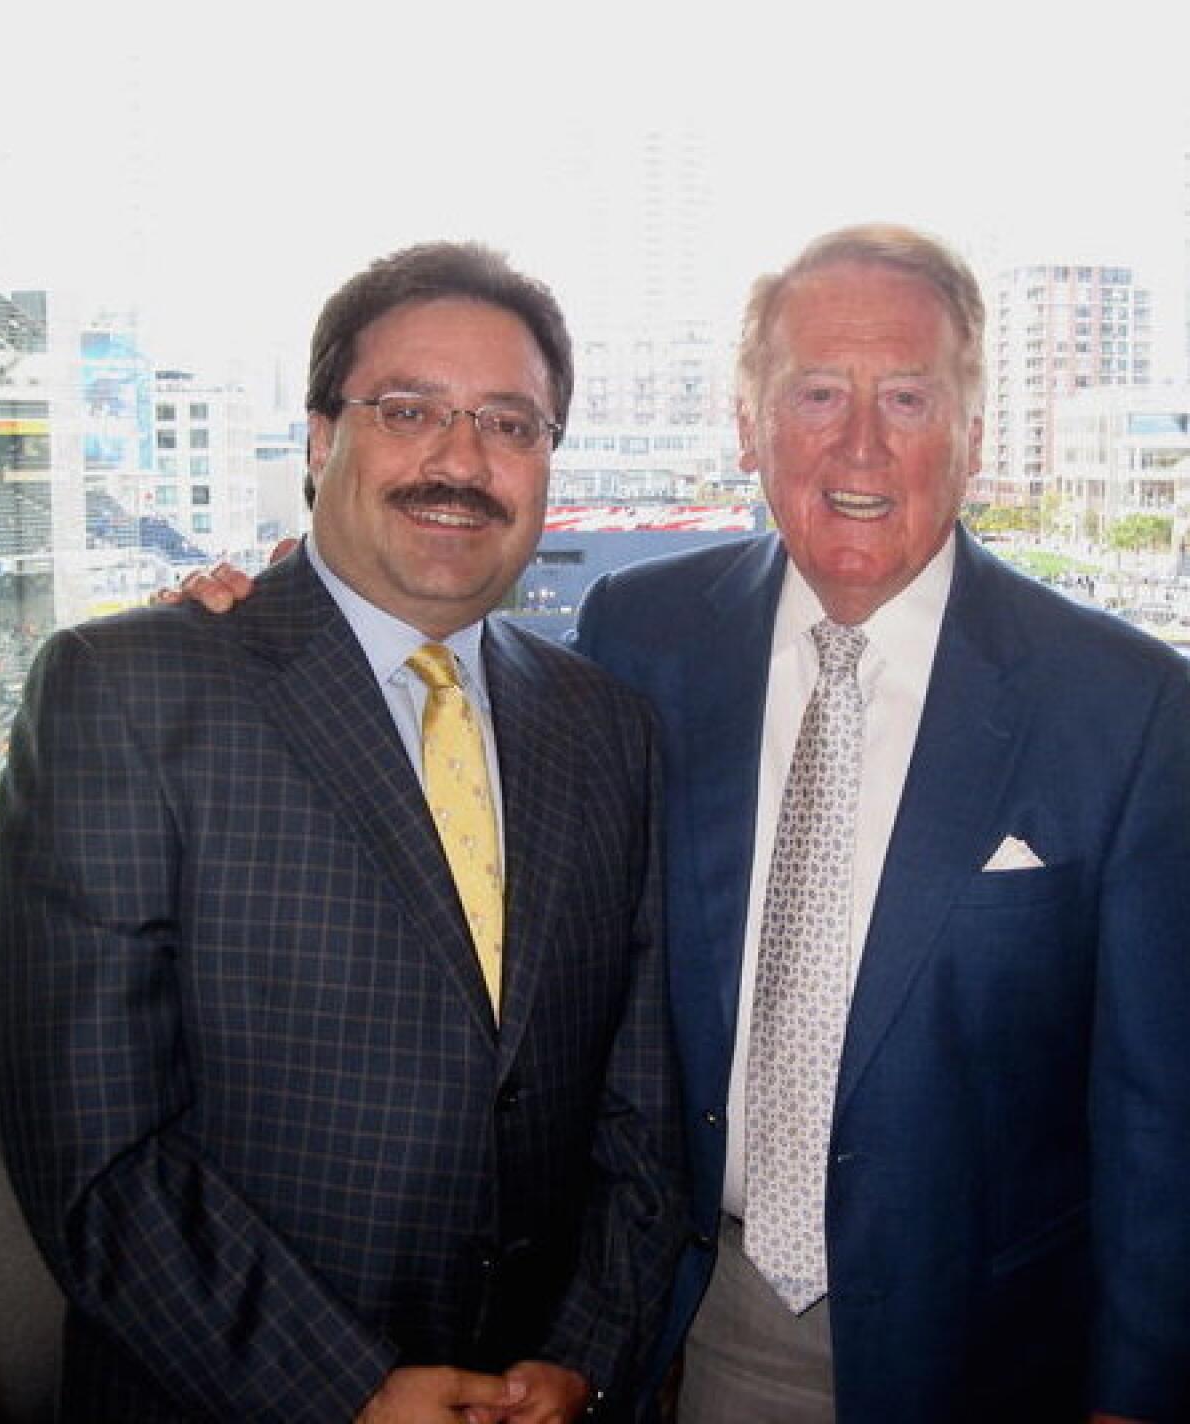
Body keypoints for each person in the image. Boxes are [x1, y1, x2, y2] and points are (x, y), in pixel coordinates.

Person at [153, 224, 1190, 1422]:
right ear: (749, 422)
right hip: (694, 1315)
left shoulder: (1129, 705)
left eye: (907, 394)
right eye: (815, 392)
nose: (860, 443)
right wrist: (282, 610)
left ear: (974, 426)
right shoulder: (645, 636)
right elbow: (452, 717)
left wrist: (1136, 1391)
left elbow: (1162, 1110)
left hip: (995, 1341)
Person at [0, 242, 686, 1423]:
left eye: (510, 424)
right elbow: (94, 1147)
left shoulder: (605, 727)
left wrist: (582, 1351)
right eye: (410, 409)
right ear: (321, 438)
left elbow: (638, 1097)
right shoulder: (128, 693)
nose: (461, 460)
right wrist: (347, 1392)